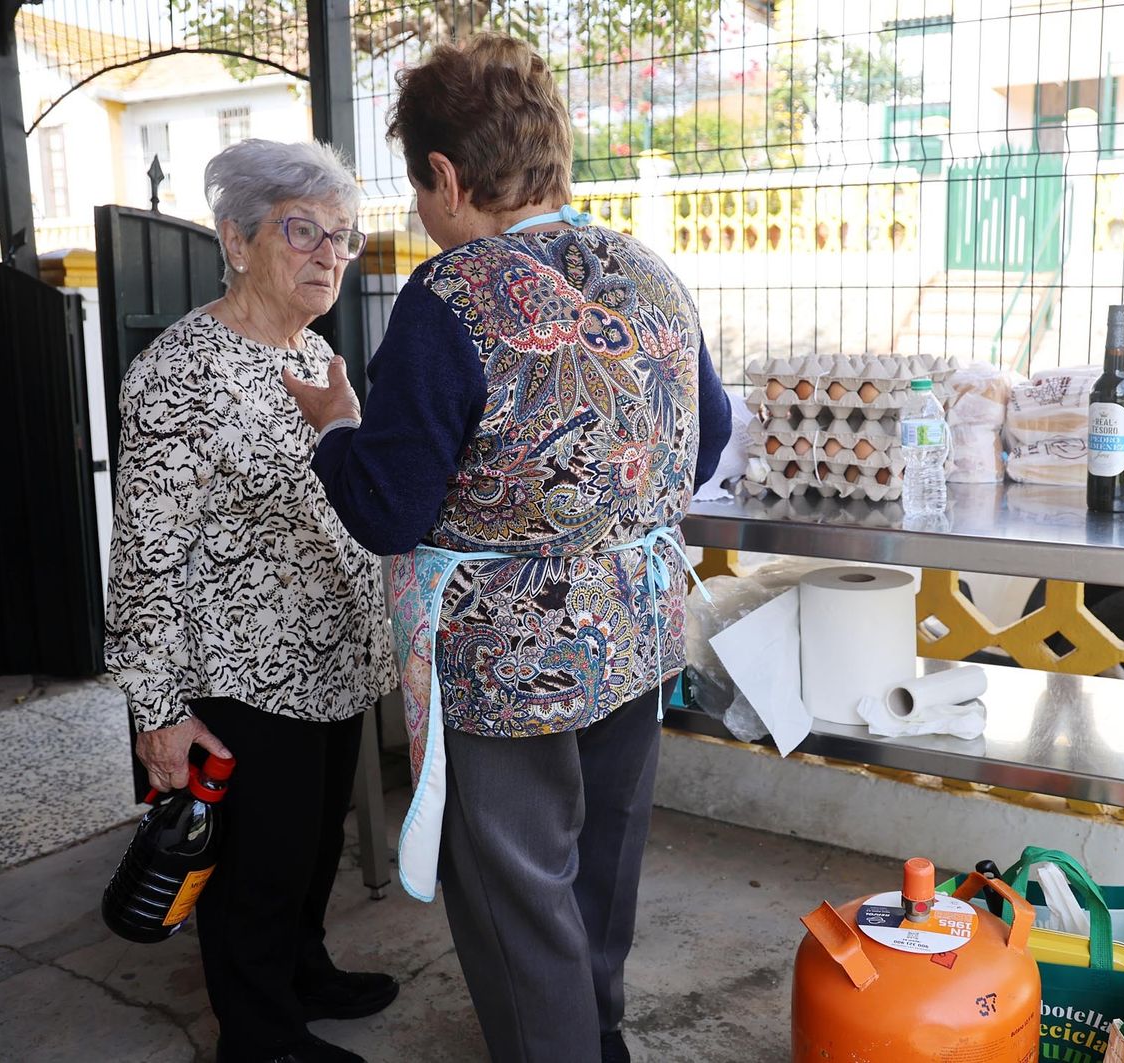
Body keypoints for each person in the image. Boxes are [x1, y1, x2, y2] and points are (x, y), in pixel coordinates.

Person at [281, 34, 733, 1063]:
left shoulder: (452, 299)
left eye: (416, 187)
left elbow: (388, 509)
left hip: (507, 656)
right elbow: (700, 442)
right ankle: (599, 1037)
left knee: (514, 888)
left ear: (445, 175)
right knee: (602, 861)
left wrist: (335, 433)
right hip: (637, 626)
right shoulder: (651, 274)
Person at [104, 138, 399, 1063]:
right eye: (301, 230)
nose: (329, 255)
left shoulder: (315, 354)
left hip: (332, 657)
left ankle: (301, 971)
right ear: (236, 239)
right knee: (255, 869)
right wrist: (155, 710)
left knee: (313, 849)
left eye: (342, 238)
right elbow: (145, 555)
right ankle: (260, 1035)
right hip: (243, 674)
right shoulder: (179, 373)